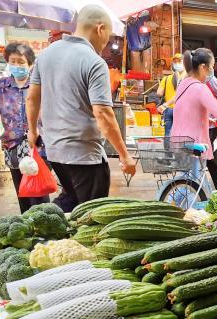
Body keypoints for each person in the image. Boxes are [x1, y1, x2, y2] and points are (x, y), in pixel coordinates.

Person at [26, 4, 136, 208]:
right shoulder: (94, 62)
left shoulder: (47, 54)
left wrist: (32, 131)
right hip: (85, 155)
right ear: (100, 28)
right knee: (92, 215)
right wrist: (124, 155)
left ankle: (41, 226)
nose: (106, 41)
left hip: (55, 151)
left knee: (71, 202)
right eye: (108, 35)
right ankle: (37, 226)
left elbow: (32, 98)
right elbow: (103, 112)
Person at [0, 43, 51, 213]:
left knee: (38, 192)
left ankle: (45, 226)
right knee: (22, 192)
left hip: (38, 145)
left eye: (21, 61)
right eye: (13, 61)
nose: (16, 65)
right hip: (13, 146)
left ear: (30, 64)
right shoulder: (1, 85)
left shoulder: (39, 84)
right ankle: (27, 226)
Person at [171, 48, 217, 191]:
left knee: (187, 181)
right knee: (195, 184)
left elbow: (189, 109)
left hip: (178, 140)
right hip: (194, 141)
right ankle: (185, 209)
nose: (212, 71)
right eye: (211, 68)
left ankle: (178, 208)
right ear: (203, 67)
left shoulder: (183, 84)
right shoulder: (200, 87)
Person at [157, 53, 186, 136]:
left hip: (168, 109)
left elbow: (159, 93)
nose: (177, 64)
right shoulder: (187, 79)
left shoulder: (166, 79)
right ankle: (177, 148)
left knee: (168, 133)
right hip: (181, 109)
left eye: (179, 62)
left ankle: (167, 149)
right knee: (180, 133)